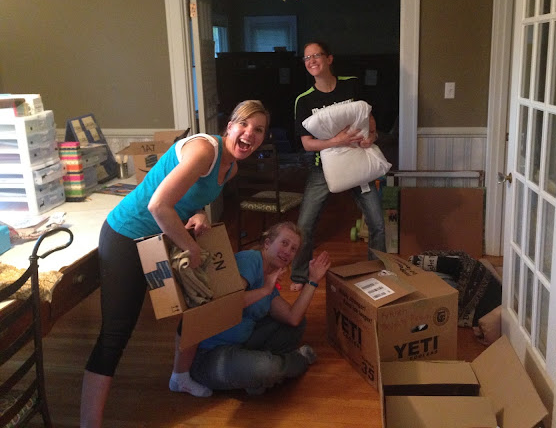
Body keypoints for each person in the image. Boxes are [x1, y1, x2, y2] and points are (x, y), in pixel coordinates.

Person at [80, 100, 269, 428]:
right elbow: (158, 205)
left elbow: (190, 196)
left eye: (259, 129)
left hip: (160, 239)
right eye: (244, 124)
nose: (249, 133)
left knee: (195, 303)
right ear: (229, 127)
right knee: (115, 335)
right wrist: (190, 246)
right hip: (126, 235)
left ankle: (180, 377)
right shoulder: (204, 151)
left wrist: (198, 214)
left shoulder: (231, 168)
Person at [186, 221, 330, 394]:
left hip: (241, 344)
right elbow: (228, 303)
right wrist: (265, 290)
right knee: (267, 367)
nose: (288, 251)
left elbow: (293, 318)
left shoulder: (269, 276)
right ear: (267, 243)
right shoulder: (251, 260)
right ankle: (295, 361)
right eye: (284, 243)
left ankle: (255, 376)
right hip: (209, 355)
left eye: (293, 249)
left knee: (296, 325)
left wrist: (312, 280)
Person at [290, 40, 386, 291]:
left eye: (316, 55)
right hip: (323, 168)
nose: (311, 61)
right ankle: (299, 275)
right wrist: (336, 141)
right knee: (305, 224)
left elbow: (368, 117)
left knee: (377, 222)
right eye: (306, 58)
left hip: (358, 163)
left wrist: (372, 136)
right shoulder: (304, 100)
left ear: (329, 59)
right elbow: (307, 144)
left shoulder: (351, 84)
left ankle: (377, 270)